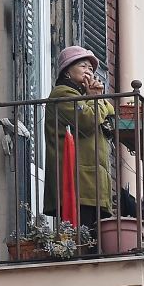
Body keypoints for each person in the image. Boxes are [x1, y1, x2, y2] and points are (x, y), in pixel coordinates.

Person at [43, 46, 116, 231]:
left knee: (94, 242)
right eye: (83, 66)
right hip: (76, 184)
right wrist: (96, 99)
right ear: (67, 70)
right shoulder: (63, 94)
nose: (88, 71)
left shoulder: (86, 99)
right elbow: (87, 120)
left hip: (93, 185)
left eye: (91, 69)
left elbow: (110, 111)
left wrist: (96, 100)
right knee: (82, 241)